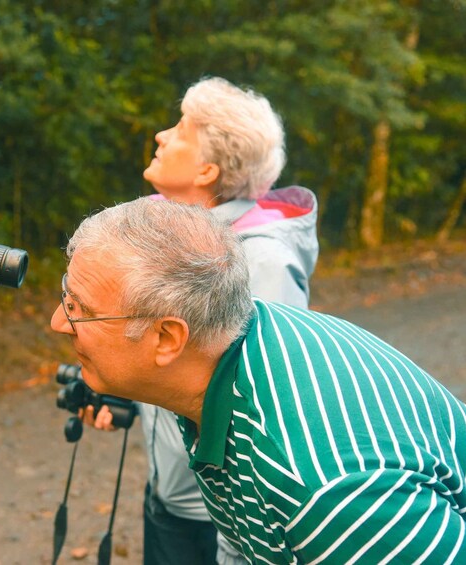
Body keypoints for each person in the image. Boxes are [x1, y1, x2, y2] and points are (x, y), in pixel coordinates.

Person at [52, 197, 466, 563]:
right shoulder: (221, 362)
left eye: (78, 308)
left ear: (167, 338)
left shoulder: (324, 490)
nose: (58, 322)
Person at [93, 76, 318, 564]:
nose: (161, 136)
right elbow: (183, 363)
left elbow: (270, 402)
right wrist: (124, 394)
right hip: (169, 496)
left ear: (207, 170)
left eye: (180, 129)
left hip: (223, 521)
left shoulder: (262, 263)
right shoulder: (171, 241)